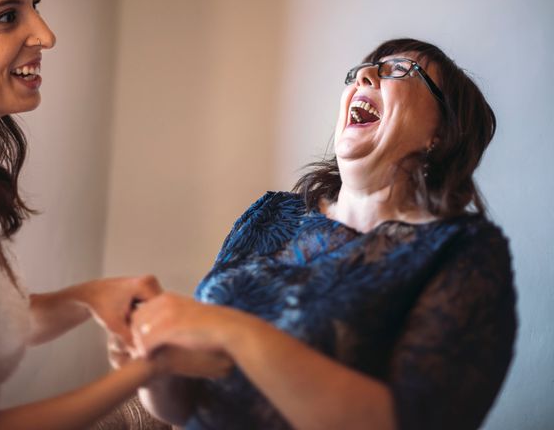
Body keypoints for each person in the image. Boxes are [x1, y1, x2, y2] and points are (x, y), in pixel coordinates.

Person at [129, 38, 518, 430]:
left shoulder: (462, 251)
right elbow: (182, 408)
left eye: (398, 70)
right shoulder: (271, 214)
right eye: (361, 72)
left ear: (441, 131)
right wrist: (151, 362)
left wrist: (235, 332)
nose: (363, 76)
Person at [0, 0, 230, 429]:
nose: (45, 35)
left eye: (33, 5)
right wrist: (154, 366)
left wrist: (87, 297)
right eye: (6, 17)